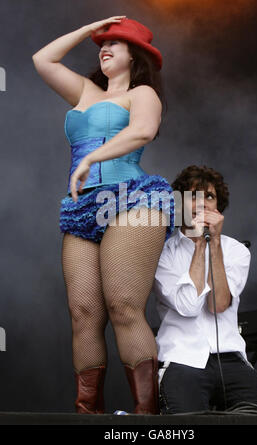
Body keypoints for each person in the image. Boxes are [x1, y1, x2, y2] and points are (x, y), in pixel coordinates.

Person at [32, 17, 175, 415]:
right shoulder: (85, 91)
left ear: (137, 55)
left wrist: (92, 157)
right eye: (102, 43)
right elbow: (43, 60)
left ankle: (146, 417)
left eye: (116, 42)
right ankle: (87, 412)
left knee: (124, 306)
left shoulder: (143, 92)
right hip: (81, 208)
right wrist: (89, 28)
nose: (105, 47)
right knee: (82, 314)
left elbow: (144, 131)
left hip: (132, 198)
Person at [153, 165, 257, 413]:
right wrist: (198, 246)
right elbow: (188, 306)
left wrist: (213, 243)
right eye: (193, 196)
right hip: (182, 359)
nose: (202, 204)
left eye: (210, 197)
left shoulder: (237, 250)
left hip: (231, 358)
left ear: (219, 207)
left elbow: (217, 305)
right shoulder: (162, 252)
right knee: (187, 424)